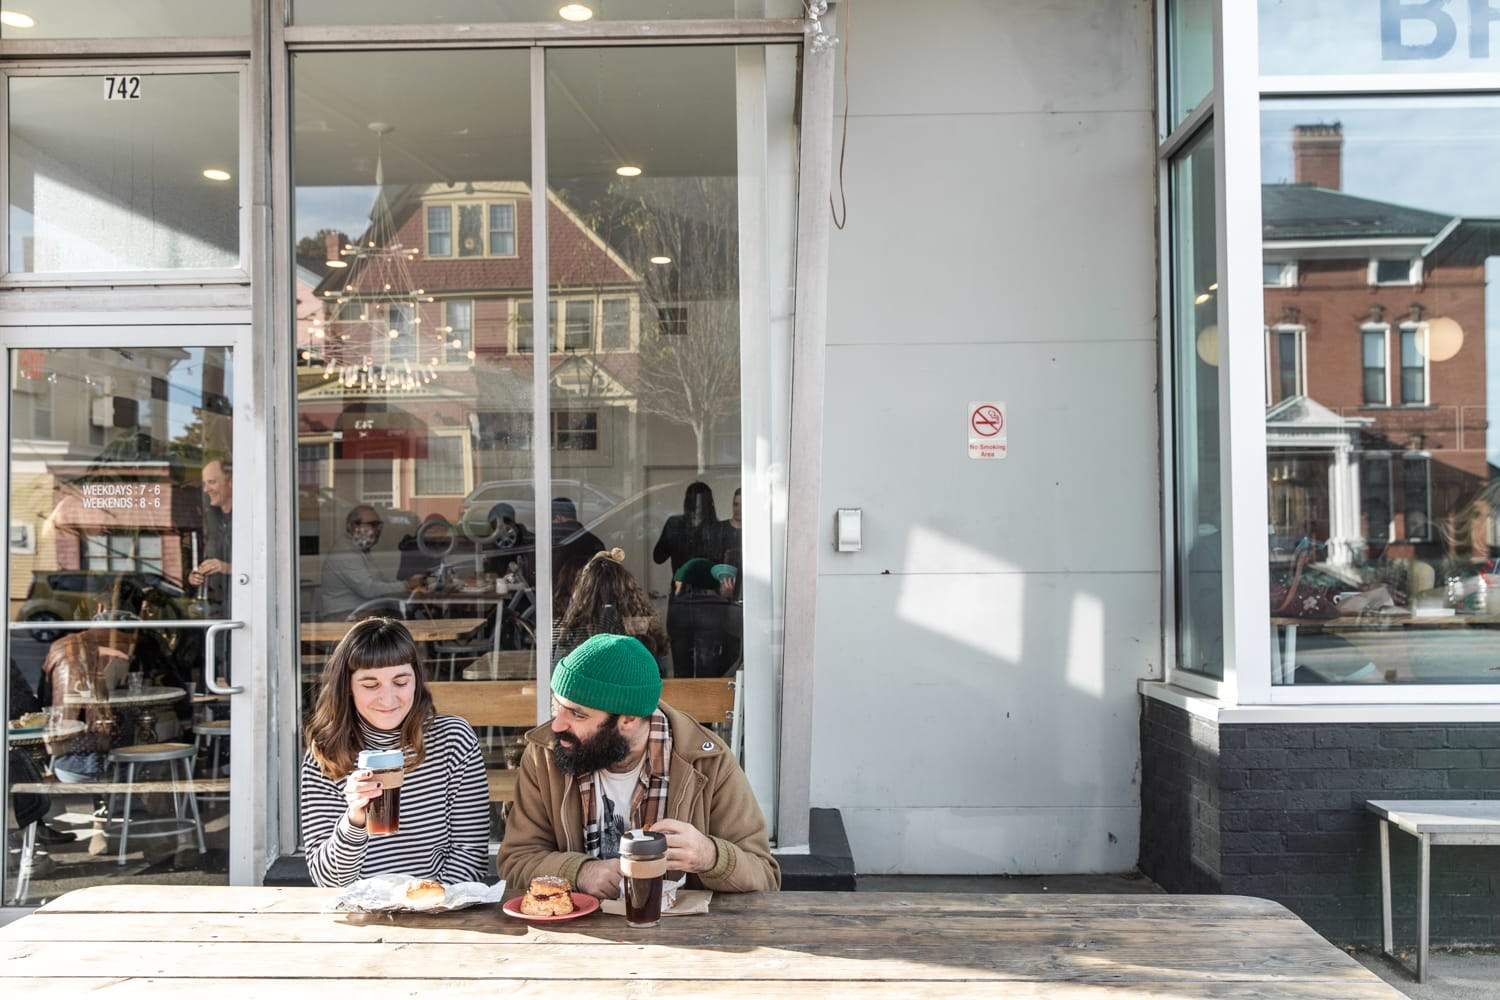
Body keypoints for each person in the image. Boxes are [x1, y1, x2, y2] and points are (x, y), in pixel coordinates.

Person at [499, 633, 778, 895]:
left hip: (684, 936)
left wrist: (710, 856)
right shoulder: (546, 754)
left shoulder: (707, 761)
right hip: (581, 934)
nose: (558, 725)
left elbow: (765, 876)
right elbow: (515, 862)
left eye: (577, 714)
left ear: (629, 719)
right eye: (556, 706)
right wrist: (581, 872)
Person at [300, 618, 489, 887]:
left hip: (438, 911)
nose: (388, 699)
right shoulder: (327, 753)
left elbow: (471, 855)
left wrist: (430, 902)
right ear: (348, 688)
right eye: (370, 685)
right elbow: (327, 881)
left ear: (416, 681)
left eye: (400, 682)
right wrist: (354, 819)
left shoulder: (452, 740)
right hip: (362, 913)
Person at [555, 548, 670, 665]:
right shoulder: (638, 624)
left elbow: (558, 666)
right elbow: (657, 667)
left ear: (584, 591)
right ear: (628, 588)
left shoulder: (577, 626)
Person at [320, 505, 426, 621]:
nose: (377, 530)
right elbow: (369, 590)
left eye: (378, 525)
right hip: (345, 617)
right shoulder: (346, 552)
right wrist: (407, 585)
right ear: (352, 526)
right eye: (372, 524)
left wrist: (410, 588)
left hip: (361, 613)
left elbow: (380, 583)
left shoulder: (359, 549)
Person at [667, 559, 740, 678]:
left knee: (682, 666)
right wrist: (729, 600)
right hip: (714, 686)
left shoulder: (676, 608)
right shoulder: (721, 607)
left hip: (681, 687)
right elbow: (733, 652)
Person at [189, 458, 233, 615]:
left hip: (243, 608)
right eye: (204, 484)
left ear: (231, 482)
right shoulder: (210, 518)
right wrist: (193, 576)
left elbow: (264, 569)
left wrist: (225, 567)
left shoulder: (250, 520)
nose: (206, 489)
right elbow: (198, 559)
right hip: (214, 609)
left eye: (212, 482)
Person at [653, 482, 718, 575]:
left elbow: (720, 565)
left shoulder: (716, 529)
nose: (695, 511)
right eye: (692, 506)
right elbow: (658, 558)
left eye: (699, 507)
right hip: (680, 586)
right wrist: (671, 536)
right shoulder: (674, 524)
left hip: (708, 587)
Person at [551, 497, 605, 608]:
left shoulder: (556, 543)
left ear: (558, 518)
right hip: (595, 604)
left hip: (561, 606)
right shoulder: (595, 541)